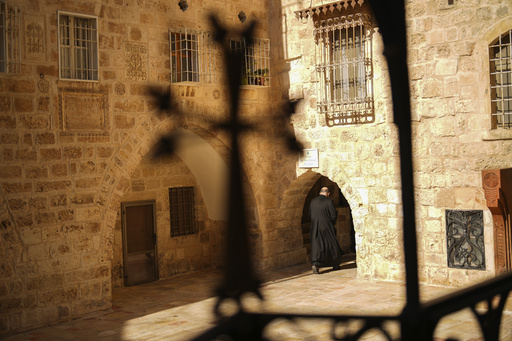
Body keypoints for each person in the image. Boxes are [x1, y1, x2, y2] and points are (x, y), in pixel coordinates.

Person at [309, 187, 343, 274]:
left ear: (320, 192)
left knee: (316, 246)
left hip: (315, 227)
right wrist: (331, 223)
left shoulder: (313, 201)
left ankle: (315, 264)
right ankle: (335, 264)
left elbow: (310, 214)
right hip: (327, 226)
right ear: (328, 193)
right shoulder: (329, 201)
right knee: (331, 244)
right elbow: (333, 215)